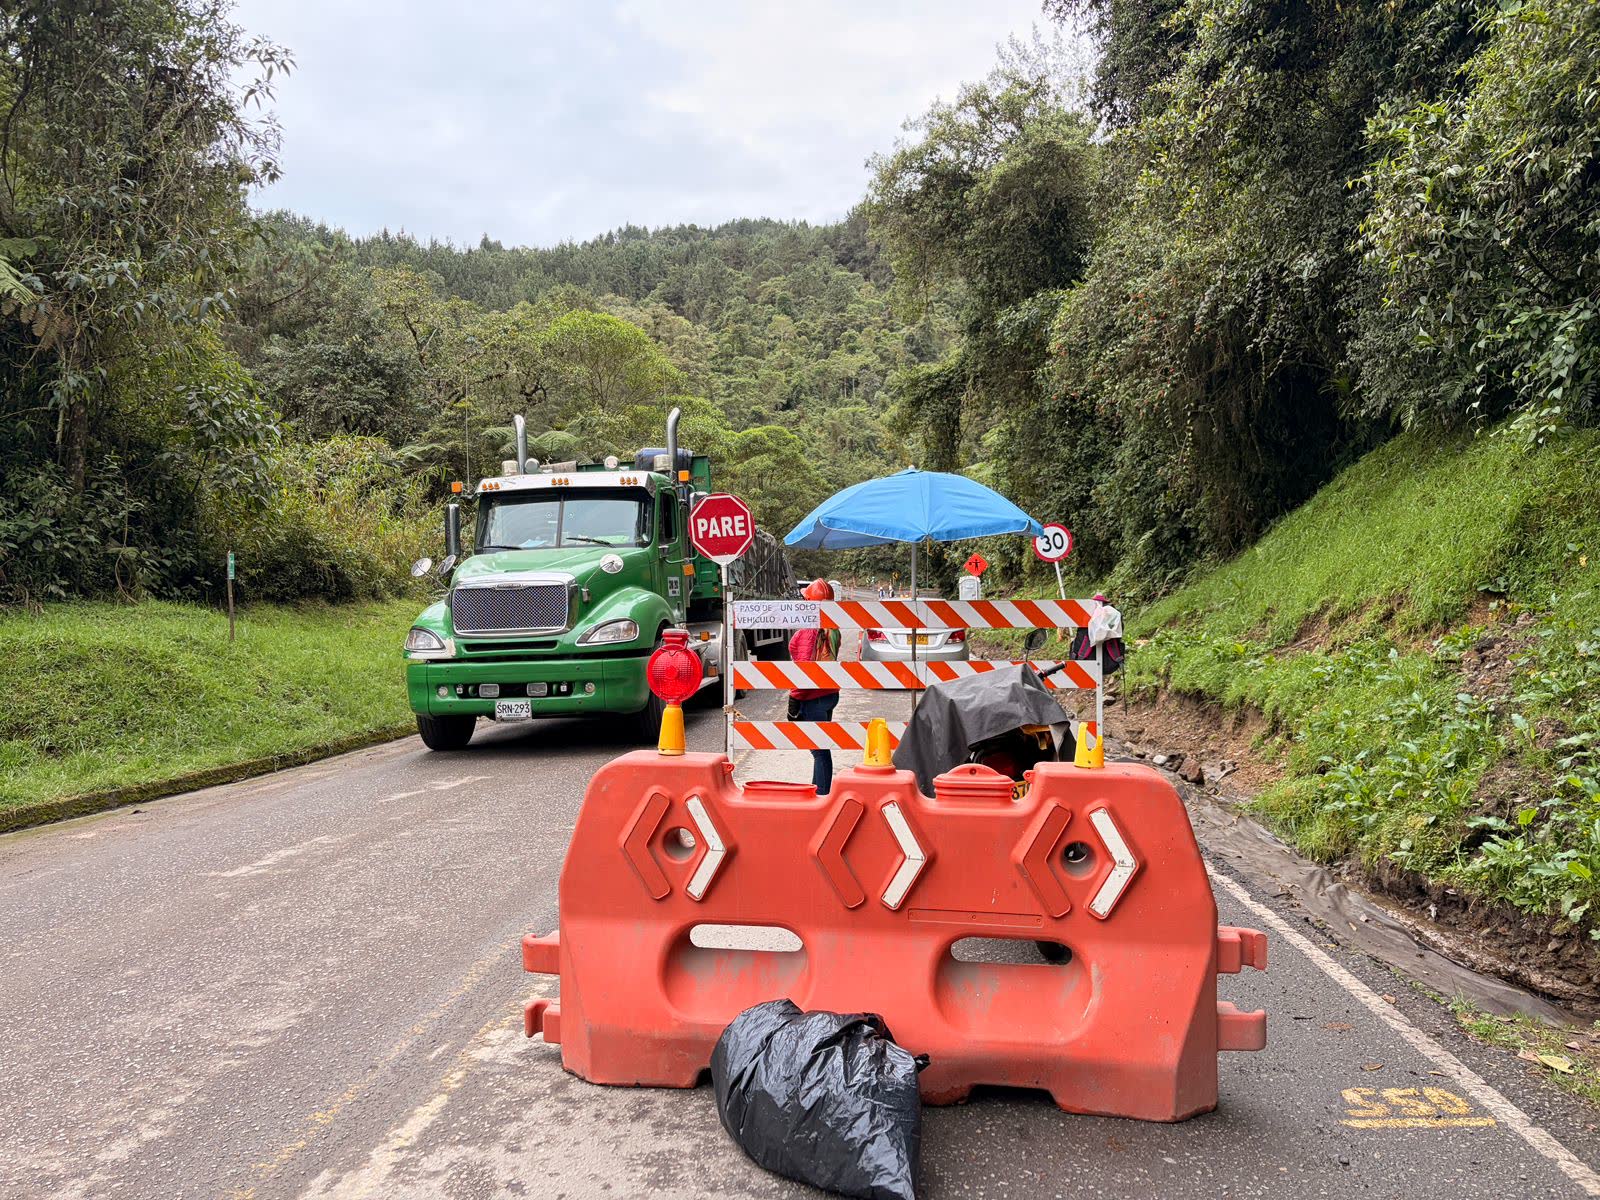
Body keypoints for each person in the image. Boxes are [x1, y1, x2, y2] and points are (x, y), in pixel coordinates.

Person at [790, 578, 842, 794]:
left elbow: (804, 671)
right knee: (821, 748)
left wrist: (794, 698)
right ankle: (820, 790)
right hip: (829, 694)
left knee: (819, 751)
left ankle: (821, 794)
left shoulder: (810, 630)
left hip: (813, 698)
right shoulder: (833, 627)